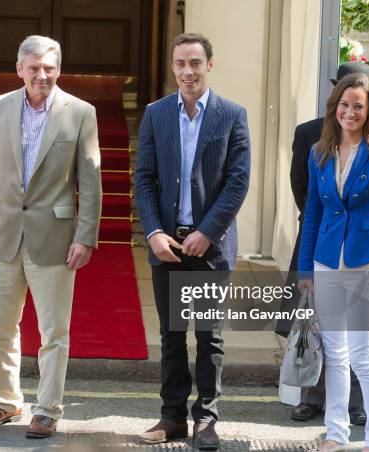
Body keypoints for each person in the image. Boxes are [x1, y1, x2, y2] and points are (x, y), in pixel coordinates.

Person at [0, 35, 102, 439]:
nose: (42, 75)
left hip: (55, 237)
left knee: (53, 332)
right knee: (1, 329)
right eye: (34, 68)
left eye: (49, 68)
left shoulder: (80, 112)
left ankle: (47, 409)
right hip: (3, 232)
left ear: (58, 70)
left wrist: (86, 236)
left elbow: (90, 181)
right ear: (20, 69)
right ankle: (6, 402)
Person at [135, 32, 250, 450]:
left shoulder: (232, 115)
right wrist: (153, 233)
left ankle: (206, 419)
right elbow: (144, 179)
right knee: (170, 334)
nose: (188, 71)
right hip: (167, 243)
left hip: (210, 246)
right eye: (181, 63)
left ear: (209, 65)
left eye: (195, 63)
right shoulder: (156, 114)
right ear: (172, 66)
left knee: (209, 335)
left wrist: (209, 230)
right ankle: (171, 417)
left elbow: (238, 183)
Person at [298, 72, 369, 452]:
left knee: (363, 356)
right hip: (326, 263)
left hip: (366, 263)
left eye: (358, 106)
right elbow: (312, 213)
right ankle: (336, 434)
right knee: (335, 354)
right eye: (344, 104)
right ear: (335, 107)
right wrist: (305, 269)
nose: (350, 112)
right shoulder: (320, 152)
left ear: (368, 111)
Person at [283, 62, 369, 425]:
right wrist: (325, 228)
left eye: (359, 99)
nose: (350, 107)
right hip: (318, 235)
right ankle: (311, 397)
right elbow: (300, 187)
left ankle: (354, 404)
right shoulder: (308, 132)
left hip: (362, 245)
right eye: (344, 94)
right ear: (335, 91)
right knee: (314, 322)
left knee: (359, 332)